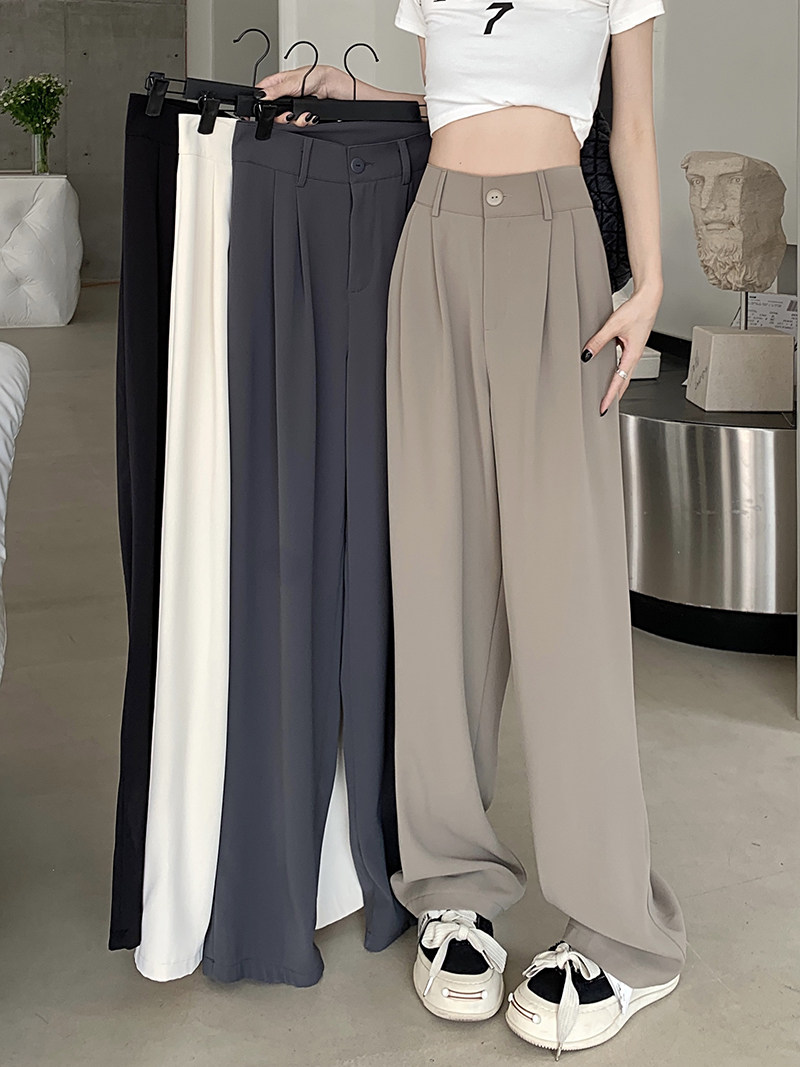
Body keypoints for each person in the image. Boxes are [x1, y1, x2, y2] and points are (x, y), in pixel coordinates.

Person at [256, 0, 687, 1057]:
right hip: (435, 236)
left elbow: (629, 125)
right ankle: (453, 884)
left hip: (556, 236)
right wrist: (360, 93)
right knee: (438, 574)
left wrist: (650, 280)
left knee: (566, 591)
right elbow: (459, 99)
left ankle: (623, 931)